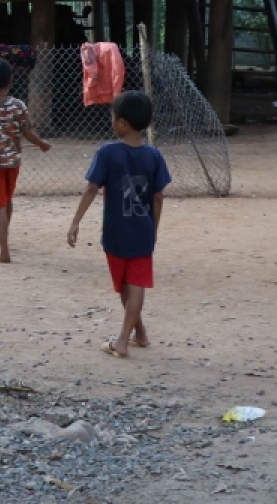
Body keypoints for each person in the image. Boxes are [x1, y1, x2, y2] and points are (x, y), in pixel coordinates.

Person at [67, 90, 171, 359]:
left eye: (113, 117)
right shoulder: (154, 156)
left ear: (122, 122)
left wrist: (76, 221)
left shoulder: (108, 152)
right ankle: (140, 333)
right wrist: (154, 228)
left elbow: (92, 187)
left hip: (115, 231)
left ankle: (122, 340)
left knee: (124, 284)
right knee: (136, 282)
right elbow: (158, 197)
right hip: (143, 230)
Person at [0, 57, 52, 263]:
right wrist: (41, 144)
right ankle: (4, 233)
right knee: (7, 199)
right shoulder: (19, 105)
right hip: (13, 161)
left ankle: (3, 251)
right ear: (11, 80)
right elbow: (28, 133)